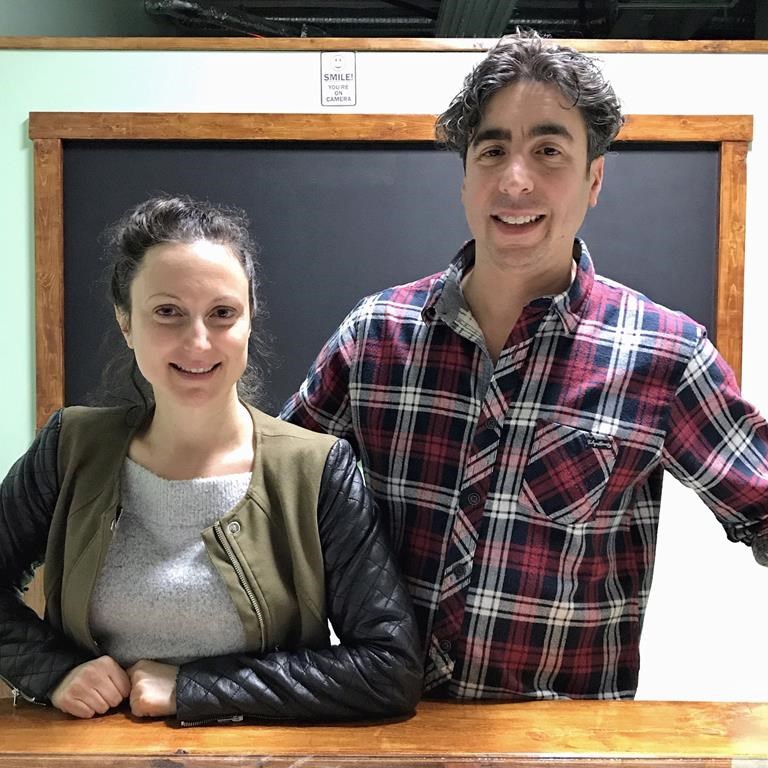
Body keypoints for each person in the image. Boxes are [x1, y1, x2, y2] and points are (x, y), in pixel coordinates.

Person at [281, 30, 768, 701]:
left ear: (594, 179)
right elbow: (267, 498)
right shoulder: (375, 338)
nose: (516, 180)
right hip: (395, 733)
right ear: (465, 178)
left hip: (564, 744)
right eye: (493, 150)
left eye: (548, 150)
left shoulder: (665, 356)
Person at [0, 195, 422, 724]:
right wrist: (53, 671)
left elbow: (389, 667)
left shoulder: (318, 471)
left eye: (222, 313)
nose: (198, 342)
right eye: (167, 313)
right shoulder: (69, 448)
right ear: (126, 323)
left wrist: (193, 689)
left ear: (249, 322)